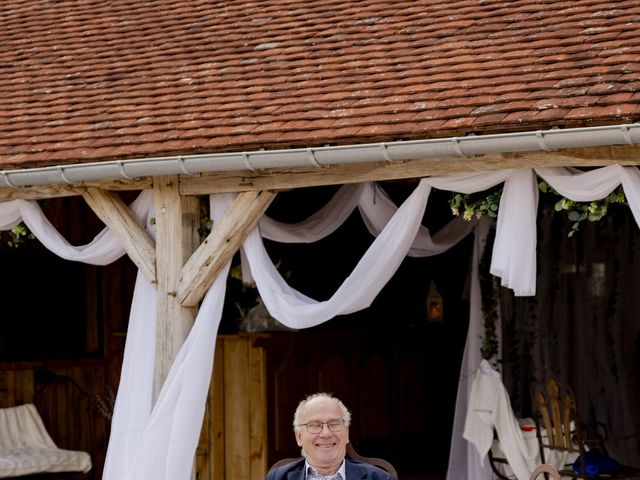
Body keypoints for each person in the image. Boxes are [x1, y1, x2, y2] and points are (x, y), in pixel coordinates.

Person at [266, 392, 395, 480]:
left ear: (346, 433)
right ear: (299, 437)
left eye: (334, 424)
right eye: (315, 425)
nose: (326, 434)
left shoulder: (379, 478)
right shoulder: (278, 477)